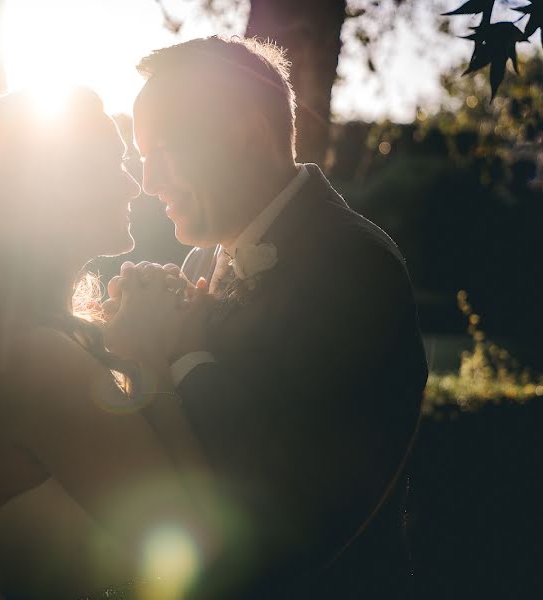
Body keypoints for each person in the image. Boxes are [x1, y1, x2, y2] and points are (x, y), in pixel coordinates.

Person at [103, 36, 429, 598]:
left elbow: (292, 486)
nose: (149, 183)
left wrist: (183, 355)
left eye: (163, 151)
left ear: (247, 135)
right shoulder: (202, 259)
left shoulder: (353, 263)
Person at [0, 88, 223, 599]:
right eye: (111, 165)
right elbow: (198, 540)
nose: (132, 186)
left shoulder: (25, 339)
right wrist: (148, 357)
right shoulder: (38, 358)